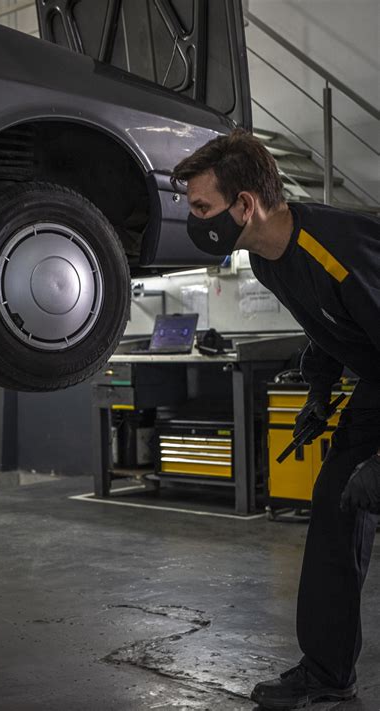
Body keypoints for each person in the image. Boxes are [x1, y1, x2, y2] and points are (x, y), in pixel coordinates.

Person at [171, 128, 380, 710]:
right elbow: (331, 326)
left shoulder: (334, 247)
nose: (195, 219)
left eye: (202, 207)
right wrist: (320, 389)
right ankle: (328, 674)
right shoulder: (269, 264)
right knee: (338, 504)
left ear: (245, 205)